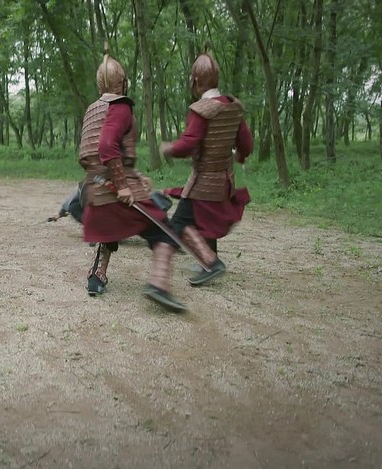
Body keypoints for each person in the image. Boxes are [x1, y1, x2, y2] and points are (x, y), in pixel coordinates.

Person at [78, 44, 188, 312]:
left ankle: (96, 277)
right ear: (123, 82)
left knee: (109, 228)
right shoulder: (120, 107)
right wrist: (123, 185)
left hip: (94, 192)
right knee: (164, 231)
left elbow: (89, 156)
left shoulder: (92, 110)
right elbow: (106, 147)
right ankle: (159, 285)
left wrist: (135, 176)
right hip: (115, 190)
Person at [159, 51, 253, 285]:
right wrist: (241, 156)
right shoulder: (233, 107)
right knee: (206, 220)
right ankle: (208, 260)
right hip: (225, 180)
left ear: (195, 81)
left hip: (203, 182)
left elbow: (188, 144)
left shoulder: (201, 110)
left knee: (180, 224)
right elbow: (246, 143)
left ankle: (211, 263)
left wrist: (170, 148)